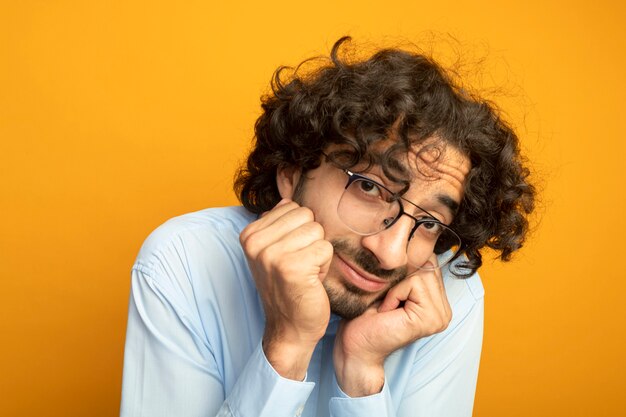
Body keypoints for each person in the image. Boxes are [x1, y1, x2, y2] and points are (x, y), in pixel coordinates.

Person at [120, 37, 535, 417]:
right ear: (292, 170)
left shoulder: (449, 298)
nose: (389, 253)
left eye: (428, 222)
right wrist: (287, 346)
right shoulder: (185, 261)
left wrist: (362, 375)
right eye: (370, 188)